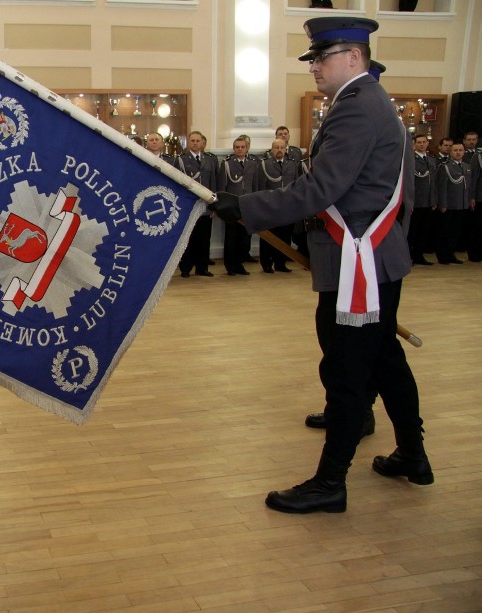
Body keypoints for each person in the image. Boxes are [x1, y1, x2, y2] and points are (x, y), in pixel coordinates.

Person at [211, 16, 433, 514]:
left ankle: (331, 482)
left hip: (360, 261)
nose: (314, 67)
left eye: (321, 57)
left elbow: (321, 189)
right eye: (312, 58)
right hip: (372, 256)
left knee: (349, 368)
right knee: (384, 362)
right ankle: (413, 455)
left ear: (354, 57)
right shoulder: (367, 102)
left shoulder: (358, 108)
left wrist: (245, 208)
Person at [177, 130, 217, 278]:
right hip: (189, 205)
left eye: (197, 141)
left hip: (205, 206)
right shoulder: (181, 160)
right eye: (192, 141)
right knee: (188, 238)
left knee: (204, 238)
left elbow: (214, 182)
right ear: (188, 143)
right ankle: (186, 268)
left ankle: (202, 267)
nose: (195, 143)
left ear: (202, 142)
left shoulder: (210, 160)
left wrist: (214, 205)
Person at [217, 137, 258, 276]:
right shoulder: (227, 164)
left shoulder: (254, 163)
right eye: (237, 147)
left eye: (242, 147)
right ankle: (230, 266)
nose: (239, 149)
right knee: (231, 238)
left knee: (244, 238)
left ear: (247, 148)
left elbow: (255, 185)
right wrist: (220, 206)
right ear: (233, 149)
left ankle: (240, 264)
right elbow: (222, 187)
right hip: (232, 207)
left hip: (248, 205)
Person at [256, 138, 298, 273]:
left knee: (284, 236)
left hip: (286, 206)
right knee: (269, 236)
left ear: (286, 149)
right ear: (272, 149)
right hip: (269, 205)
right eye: (276, 147)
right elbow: (260, 186)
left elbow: (296, 184)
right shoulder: (264, 164)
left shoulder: (292, 164)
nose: (279, 150)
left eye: (282, 147)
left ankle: (281, 263)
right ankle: (266, 263)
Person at [435, 141, 472, 264]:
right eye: (455, 150)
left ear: (464, 152)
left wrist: (467, 201)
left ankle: (451, 254)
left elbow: (468, 187)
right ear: (450, 152)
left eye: (460, 150)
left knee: (455, 232)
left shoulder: (466, 166)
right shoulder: (445, 166)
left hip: (461, 204)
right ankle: (443, 256)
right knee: (445, 232)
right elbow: (442, 187)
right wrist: (443, 204)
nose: (458, 152)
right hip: (449, 204)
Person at [409, 133, 437, 265]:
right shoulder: (411, 160)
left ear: (427, 143)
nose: (421, 144)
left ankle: (419, 255)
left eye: (424, 142)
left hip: (428, 201)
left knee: (423, 231)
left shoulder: (431, 159)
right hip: (416, 201)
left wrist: (434, 200)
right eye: (419, 142)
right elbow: (409, 182)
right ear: (414, 144)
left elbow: (434, 182)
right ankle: (409, 256)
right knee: (412, 231)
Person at [461, 131, 482, 261]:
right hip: (478, 195)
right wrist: (472, 196)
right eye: (469, 139)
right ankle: (474, 253)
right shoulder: (476, 157)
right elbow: (474, 178)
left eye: (474, 139)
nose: (472, 142)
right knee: (476, 226)